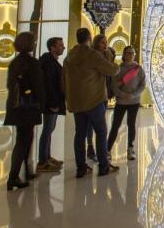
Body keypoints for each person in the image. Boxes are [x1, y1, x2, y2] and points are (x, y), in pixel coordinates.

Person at [63, 28, 118, 177]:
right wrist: (109, 56)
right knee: (101, 132)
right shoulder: (92, 55)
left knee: (79, 134)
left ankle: (81, 167)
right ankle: (103, 166)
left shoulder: (70, 56)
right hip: (94, 100)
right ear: (90, 39)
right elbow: (113, 70)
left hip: (77, 101)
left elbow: (64, 79)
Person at [5, 31, 46, 190]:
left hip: (16, 107)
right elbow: (38, 87)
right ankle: (13, 176)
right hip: (28, 107)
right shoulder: (32, 63)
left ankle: (25, 171)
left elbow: (10, 86)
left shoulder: (15, 62)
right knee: (24, 141)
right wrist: (41, 104)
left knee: (23, 139)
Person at [108, 46, 146, 163]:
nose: (131, 55)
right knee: (116, 125)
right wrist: (122, 94)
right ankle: (107, 150)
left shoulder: (138, 69)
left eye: (133, 53)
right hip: (121, 101)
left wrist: (133, 95)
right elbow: (114, 85)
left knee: (131, 124)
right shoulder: (119, 69)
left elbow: (142, 85)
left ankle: (130, 148)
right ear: (124, 55)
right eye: (128, 53)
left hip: (134, 102)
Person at [36, 37, 65, 173]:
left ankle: (46, 157)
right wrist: (53, 103)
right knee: (47, 130)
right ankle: (42, 161)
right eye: (60, 45)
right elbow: (49, 84)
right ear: (52, 48)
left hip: (53, 101)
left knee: (50, 129)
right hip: (50, 102)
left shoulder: (51, 61)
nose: (63, 48)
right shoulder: (48, 62)